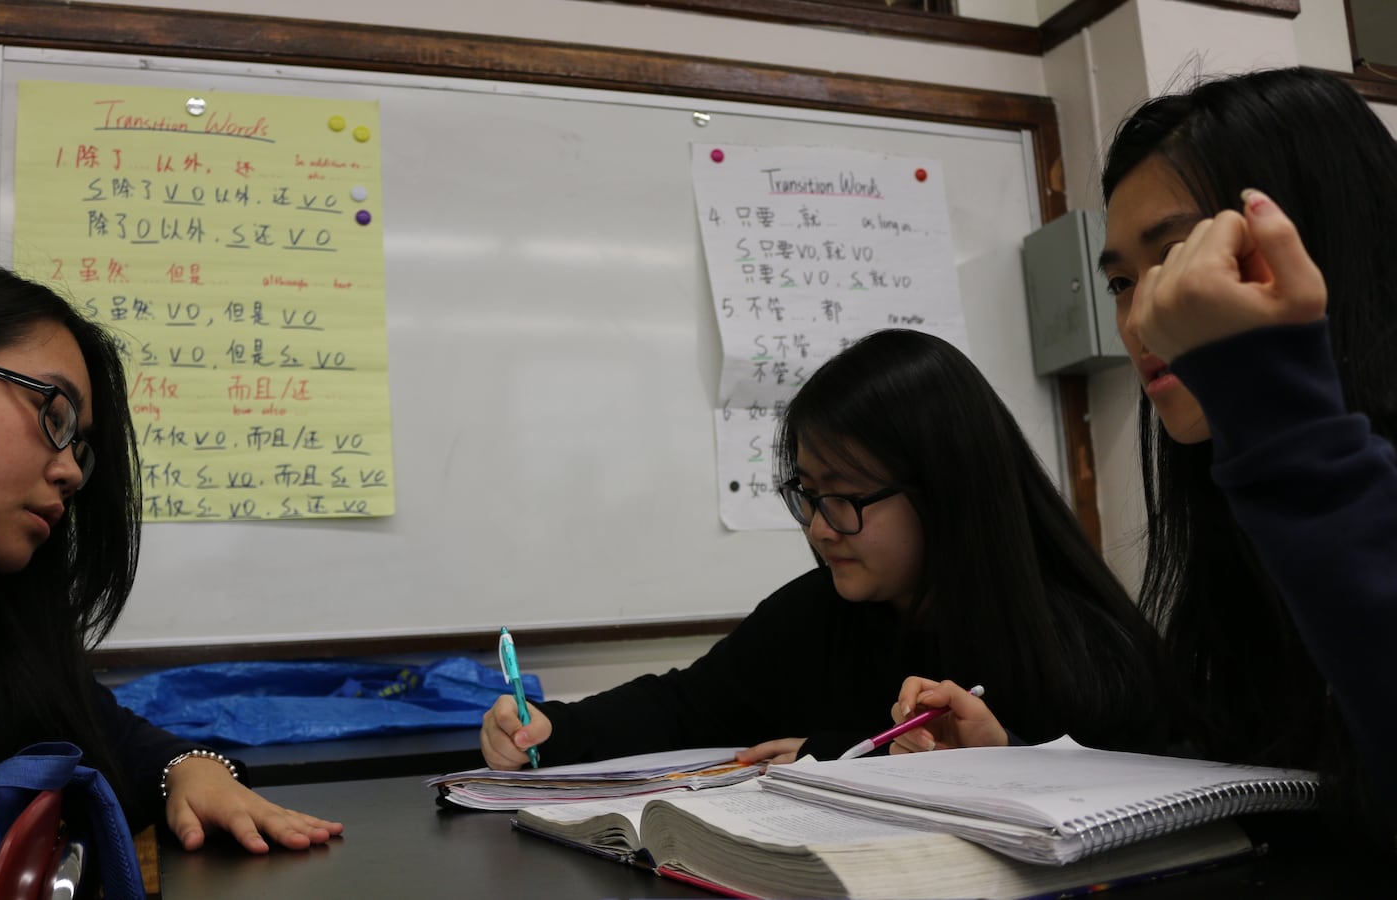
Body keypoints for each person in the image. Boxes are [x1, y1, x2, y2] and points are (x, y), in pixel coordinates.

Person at [888, 67, 1397, 841]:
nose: (1141, 320)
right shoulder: (1236, 504)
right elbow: (1252, 782)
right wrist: (1010, 766)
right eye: (1123, 281)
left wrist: (1275, 413)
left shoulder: (1304, 467)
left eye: (1181, 257)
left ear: (1325, 241)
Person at [0, 258, 341, 875]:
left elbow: (107, 736)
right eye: (53, 417)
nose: (73, 472)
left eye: (80, 446)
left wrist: (189, 769)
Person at [479, 328, 1166, 770]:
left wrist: (833, 755)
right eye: (807, 492)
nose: (818, 527)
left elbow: (1132, 790)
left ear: (945, 492)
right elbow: (686, 705)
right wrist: (550, 727)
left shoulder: (1074, 640)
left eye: (845, 496)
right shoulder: (818, 613)